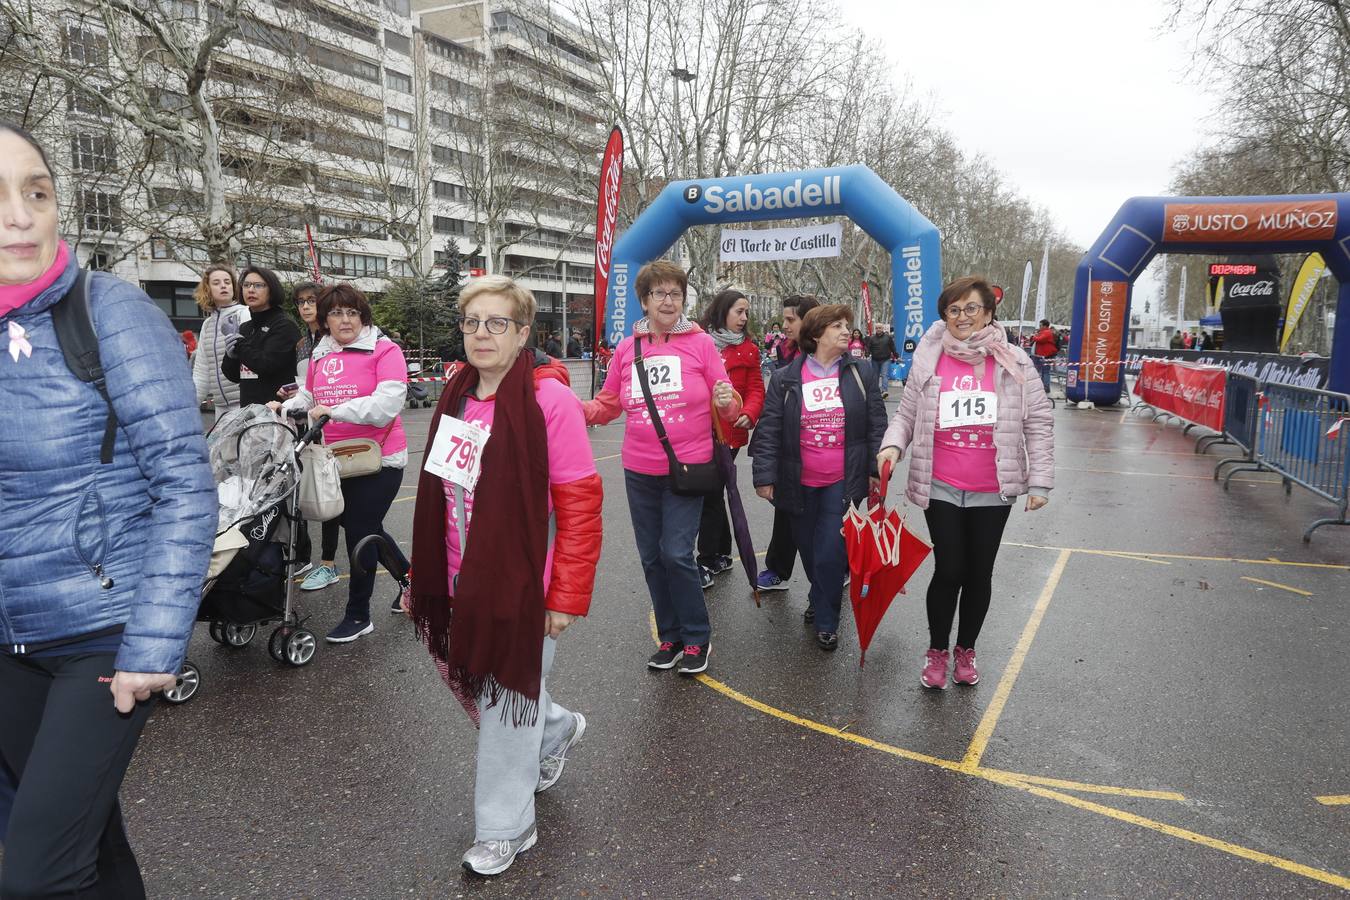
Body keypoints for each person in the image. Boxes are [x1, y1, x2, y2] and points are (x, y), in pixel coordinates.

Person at [0, 122, 216, 898]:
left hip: (103, 628)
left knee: (32, 875)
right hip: (8, 636)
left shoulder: (110, 312)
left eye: (36, 191)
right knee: (87, 845)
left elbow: (186, 485)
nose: (20, 215)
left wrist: (154, 645)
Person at [406, 275, 603, 876]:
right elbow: (443, 496)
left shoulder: (550, 403)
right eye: (472, 323)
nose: (482, 334)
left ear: (523, 333)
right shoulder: (457, 396)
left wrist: (565, 594)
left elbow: (580, 504)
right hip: (461, 581)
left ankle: (505, 827)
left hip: (524, 587)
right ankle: (558, 727)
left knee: (503, 702)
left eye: (497, 323)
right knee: (486, 687)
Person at [876, 276, 1053, 689]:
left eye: (972, 308)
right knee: (949, 567)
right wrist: (892, 446)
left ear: (989, 313)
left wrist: (1040, 483)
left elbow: (1039, 421)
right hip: (941, 481)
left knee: (979, 573)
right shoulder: (929, 356)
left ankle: (965, 649)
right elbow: (905, 414)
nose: (962, 317)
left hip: (993, 487)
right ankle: (937, 650)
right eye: (953, 310)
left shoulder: (1013, 361)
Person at [582, 260, 740, 676]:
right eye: (659, 294)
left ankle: (696, 637)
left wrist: (726, 400)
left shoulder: (701, 344)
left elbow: (731, 405)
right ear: (644, 301)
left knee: (676, 553)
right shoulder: (628, 347)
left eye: (675, 293)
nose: (668, 301)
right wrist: (573, 409)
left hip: (687, 468)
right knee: (652, 557)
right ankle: (669, 636)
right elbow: (609, 403)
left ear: (684, 300)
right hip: (638, 469)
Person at [277, 283, 410, 642]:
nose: (344, 319)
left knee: (360, 530)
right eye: (336, 312)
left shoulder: (385, 350)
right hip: (333, 460)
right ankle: (414, 583)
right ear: (324, 319)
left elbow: (386, 406)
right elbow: (309, 394)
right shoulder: (320, 353)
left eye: (352, 312)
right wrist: (285, 406)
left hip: (380, 459)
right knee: (366, 528)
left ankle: (358, 614)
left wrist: (335, 411)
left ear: (363, 315)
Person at [751, 304, 887, 649]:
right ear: (815, 334)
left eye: (847, 326)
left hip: (842, 480)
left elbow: (876, 424)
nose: (846, 331)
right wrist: (764, 475)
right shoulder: (785, 378)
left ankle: (827, 620)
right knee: (809, 550)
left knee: (830, 551)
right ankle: (819, 594)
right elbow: (769, 430)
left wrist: (875, 470)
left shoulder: (862, 373)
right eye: (837, 326)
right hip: (797, 480)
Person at [695, 289, 765, 584]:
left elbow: (755, 389)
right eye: (739, 311)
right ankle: (721, 553)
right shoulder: (696, 342)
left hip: (729, 433)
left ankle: (708, 559)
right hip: (696, 430)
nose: (745, 318)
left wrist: (749, 412)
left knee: (711, 492)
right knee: (713, 491)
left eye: (746, 312)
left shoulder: (748, 349)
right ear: (723, 310)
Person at [757, 294, 819, 592]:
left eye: (790, 320)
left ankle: (833, 575)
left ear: (811, 320)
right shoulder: (784, 354)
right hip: (788, 453)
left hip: (822, 455)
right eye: (784, 320)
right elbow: (773, 414)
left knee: (826, 522)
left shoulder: (830, 358)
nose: (784, 326)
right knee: (785, 511)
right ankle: (778, 569)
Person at [284, 281, 343, 589]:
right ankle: (317, 561)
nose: (305, 306)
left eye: (311, 300)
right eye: (300, 302)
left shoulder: (334, 338)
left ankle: (329, 563)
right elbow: (307, 386)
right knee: (322, 494)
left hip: (340, 427)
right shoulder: (302, 344)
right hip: (310, 427)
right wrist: (289, 395)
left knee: (336, 502)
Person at [222, 265, 301, 407]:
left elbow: (266, 365)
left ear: (271, 289)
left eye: (258, 285)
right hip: (248, 412)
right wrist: (231, 356)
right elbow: (233, 376)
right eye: (246, 285)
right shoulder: (244, 327)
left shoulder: (284, 325)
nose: (251, 290)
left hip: (278, 412)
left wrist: (239, 345)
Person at [191, 262, 248, 417]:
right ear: (207, 289)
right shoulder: (207, 325)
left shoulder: (245, 314)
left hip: (245, 404)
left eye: (227, 282)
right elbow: (202, 371)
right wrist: (189, 408)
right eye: (216, 283)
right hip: (221, 408)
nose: (223, 286)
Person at [866, 325, 897, 398]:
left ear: (882, 329)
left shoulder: (888, 337)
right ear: (875, 329)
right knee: (875, 376)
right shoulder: (872, 338)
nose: (878, 329)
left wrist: (896, 356)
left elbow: (892, 347)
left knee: (884, 375)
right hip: (875, 360)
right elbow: (868, 347)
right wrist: (867, 354)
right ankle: (876, 391)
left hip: (885, 359)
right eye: (877, 328)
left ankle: (884, 391)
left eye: (880, 328)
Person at [1031, 318, 1059, 393]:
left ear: (1045, 326)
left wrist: (1034, 336)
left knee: (1046, 371)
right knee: (1043, 371)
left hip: (1047, 355)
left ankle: (1046, 386)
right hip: (1042, 354)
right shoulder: (1044, 332)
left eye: (1040, 325)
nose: (1039, 327)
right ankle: (1043, 386)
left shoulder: (1047, 332)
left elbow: (1040, 339)